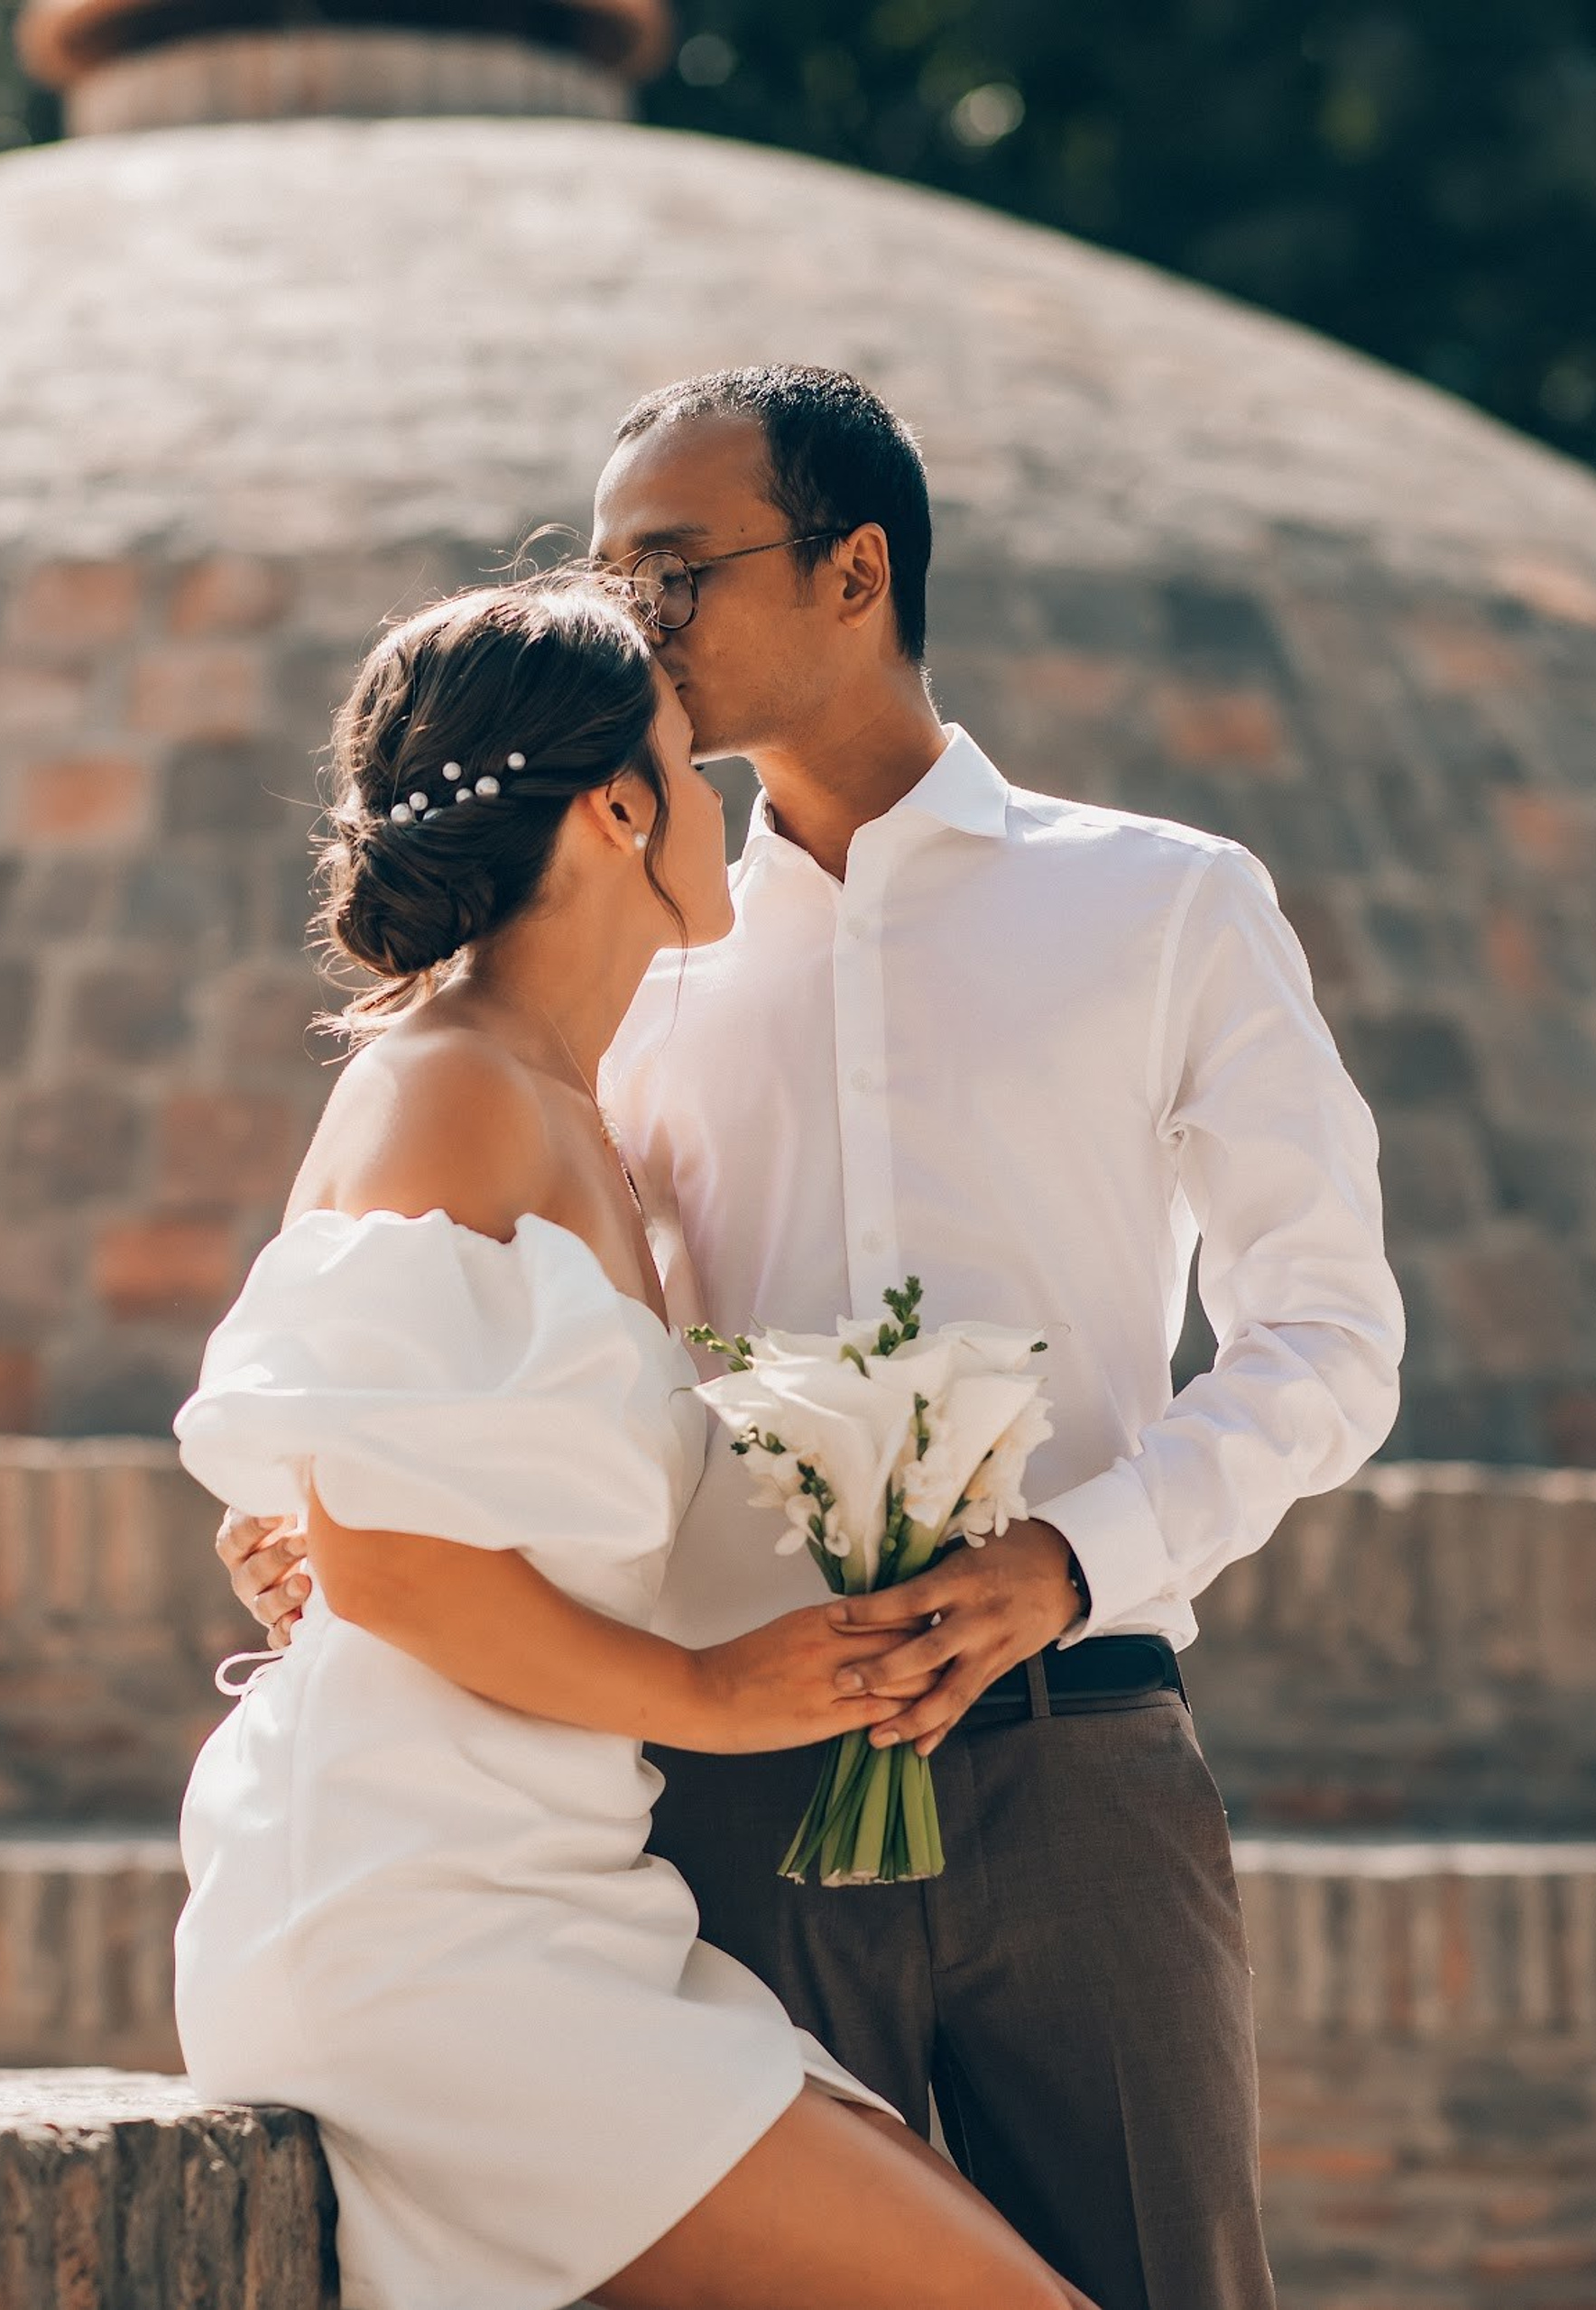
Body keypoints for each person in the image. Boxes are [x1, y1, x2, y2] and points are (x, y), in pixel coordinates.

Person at [220, 367, 1407, 2310]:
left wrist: (1066, 1565)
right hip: (727, 1792)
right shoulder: (633, 944)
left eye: (670, 572)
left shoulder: (1163, 904)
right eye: (607, 577)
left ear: (855, 569)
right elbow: (508, 1344)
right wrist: (339, 1528)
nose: (631, 625)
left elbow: (1328, 1337)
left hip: (1074, 1759)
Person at [173, 573, 1095, 2310]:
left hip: (562, 1894)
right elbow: (385, 1560)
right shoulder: (446, 1085)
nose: (720, 800)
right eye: (689, 762)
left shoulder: (573, 1113)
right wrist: (723, 1697)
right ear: (615, 807)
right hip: (422, 1913)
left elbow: (391, 1498)